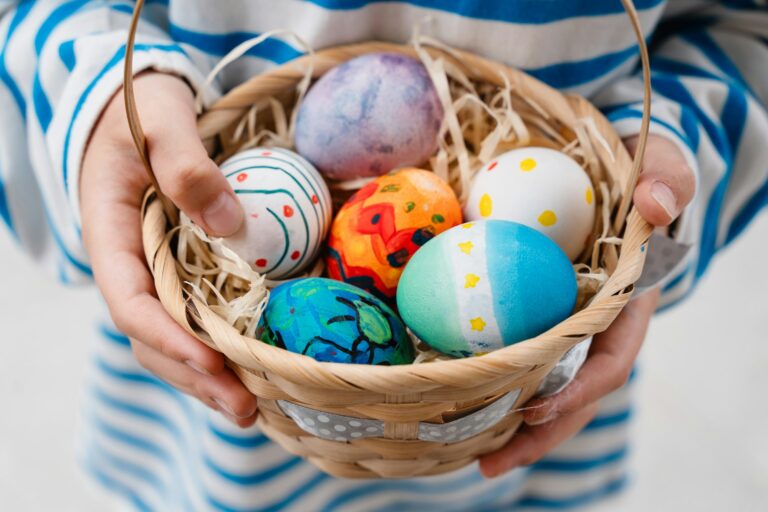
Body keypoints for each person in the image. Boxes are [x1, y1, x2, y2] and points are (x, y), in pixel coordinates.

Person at [1, 1, 765, 510]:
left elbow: (743, 25)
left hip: (520, 378)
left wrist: (667, 143)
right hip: (226, 350)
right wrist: (107, 95)